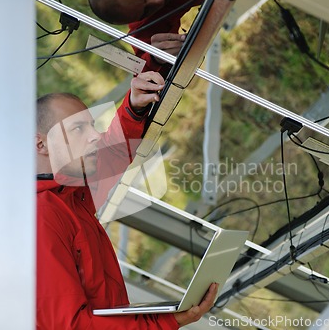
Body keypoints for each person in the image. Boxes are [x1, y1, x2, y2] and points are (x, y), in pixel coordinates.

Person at [35, 70, 218, 329]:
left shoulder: (71, 194)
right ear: (40, 145)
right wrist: (168, 321)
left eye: (92, 125)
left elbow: (112, 155)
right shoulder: (41, 218)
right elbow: (73, 326)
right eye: (78, 128)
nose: (94, 136)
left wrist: (134, 107)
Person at [88, 0, 205, 77]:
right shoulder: (145, 27)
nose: (158, 0)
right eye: (146, 11)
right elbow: (143, 72)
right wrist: (156, 59)